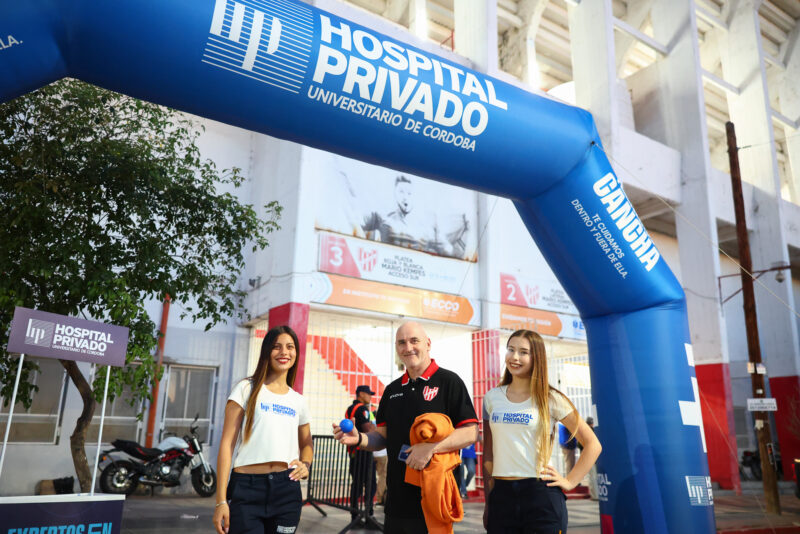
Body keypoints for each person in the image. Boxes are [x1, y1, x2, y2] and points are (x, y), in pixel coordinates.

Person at [333, 321, 478, 534]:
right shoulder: (392, 390)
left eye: (414, 341)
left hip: (434, 499)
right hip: (397, 501)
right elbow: (382, 437)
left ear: (428, 344)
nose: (408, 347)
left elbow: (471, 431)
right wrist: (360, 439)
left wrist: (431, 448)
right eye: (401, 342)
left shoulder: (449, 382)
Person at [482, 330, 602, 533]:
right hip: (501, 498)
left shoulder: (551, 398)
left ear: (536, 357)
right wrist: (489, 501)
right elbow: (488, 454)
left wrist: (570, 481)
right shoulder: (492, 397)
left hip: (541, 496)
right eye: (511, 350)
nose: (515, 357)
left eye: (523, 352)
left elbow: (593, 444)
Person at [213, 326, 313, 534]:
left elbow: (306, 443)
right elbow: (227, 444)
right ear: (267, 351)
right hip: (247, 489)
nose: (284, 352)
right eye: (277, 347)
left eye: (290, 347)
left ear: (296, 353)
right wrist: (221, 500)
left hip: (287, 490)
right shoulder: (246, 389)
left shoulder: (298, 400)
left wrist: (305, 464)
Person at [344, 385, 377, 526]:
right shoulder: (362, 409)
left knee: (356, 484)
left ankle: (355, 516)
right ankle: (369, 516)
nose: (370, 397)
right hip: (363, 451)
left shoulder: (350, 408)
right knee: (370, 484)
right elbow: (368, 430)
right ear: (361, 394)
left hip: (354, 452)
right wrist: (376, 428)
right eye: (368, 394)